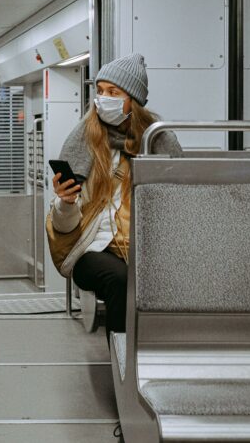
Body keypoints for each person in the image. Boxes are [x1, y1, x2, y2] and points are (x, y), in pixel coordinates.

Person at [48, 53, 181, 341]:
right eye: (99, 91)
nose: (102, 98)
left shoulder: (158, 141)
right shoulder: (84, 139)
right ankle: (122, 363)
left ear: (132, 100)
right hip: (93, 249)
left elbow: (178, 203)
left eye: (113, 92)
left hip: (146, 246)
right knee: (119, 279)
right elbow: (64, 227)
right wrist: (65, 203)